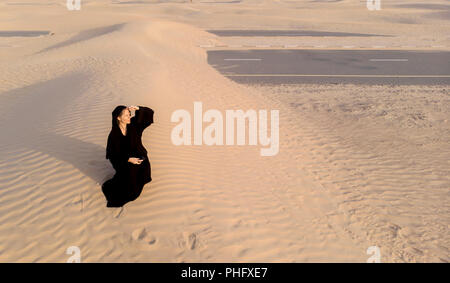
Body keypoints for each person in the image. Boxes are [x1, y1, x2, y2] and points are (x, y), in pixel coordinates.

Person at [102, 105, 155, 207]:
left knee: (143, 166)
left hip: (137, 155)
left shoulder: (134, 125)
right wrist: (128, 159)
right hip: (122, 160)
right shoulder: (114, 134)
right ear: (118, 118)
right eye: (126, 115)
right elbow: (113, 154)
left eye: (129, 115)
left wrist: (139, 109)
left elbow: (149, 114)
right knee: (131, 187)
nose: (129, 117)